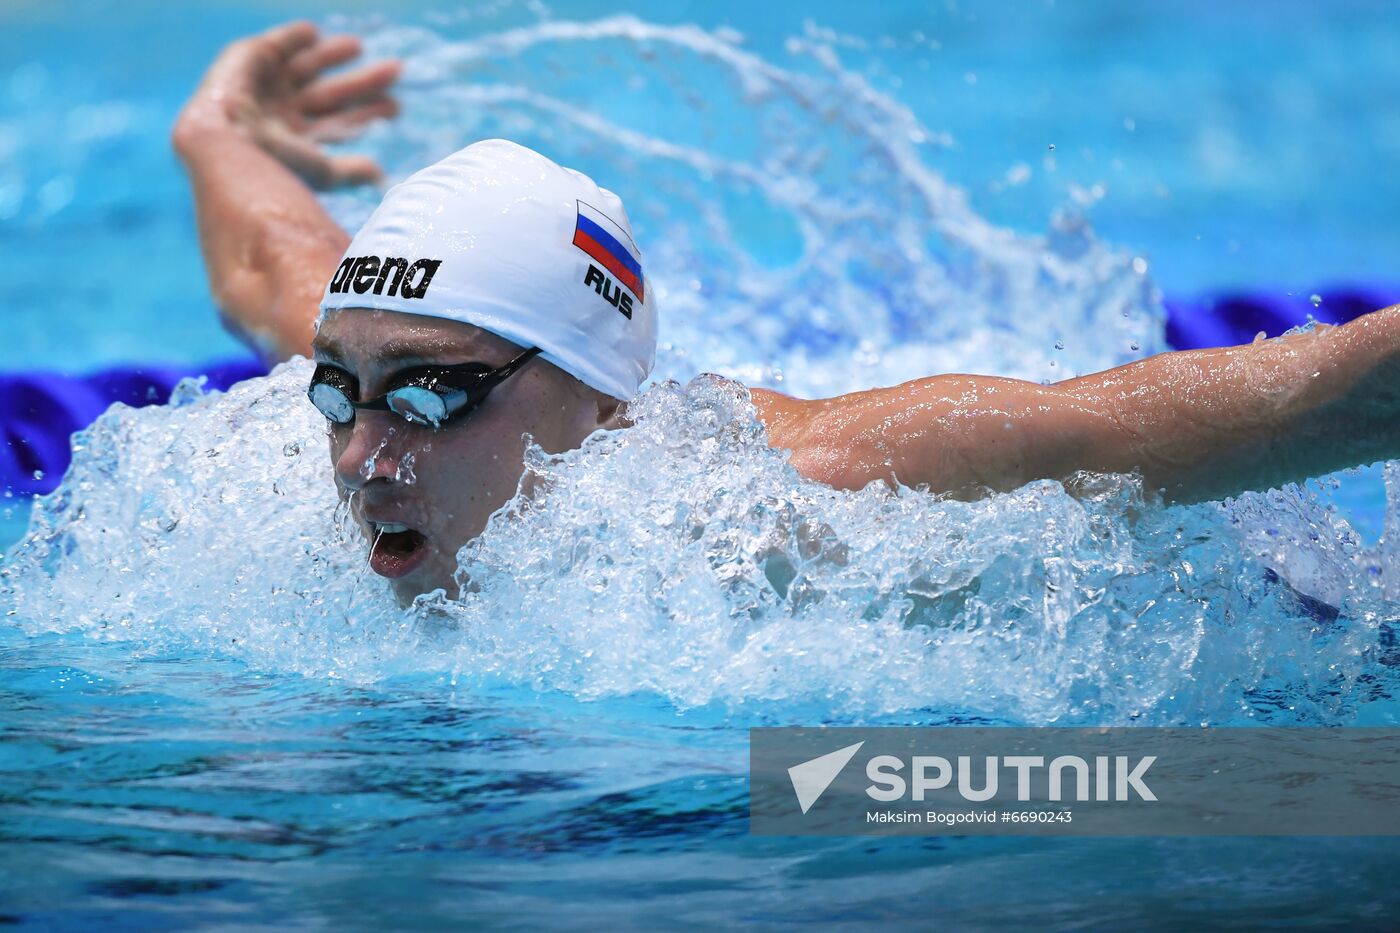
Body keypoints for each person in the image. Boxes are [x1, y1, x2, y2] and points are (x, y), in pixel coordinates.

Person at [174, 22, 1400, 605]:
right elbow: (275, 261)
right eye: (334, 390)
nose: (360, 455)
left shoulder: (801, 491)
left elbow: (1264, 403)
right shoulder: (383, 359)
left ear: (602, 399)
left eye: (433, 396)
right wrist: (216, 129)